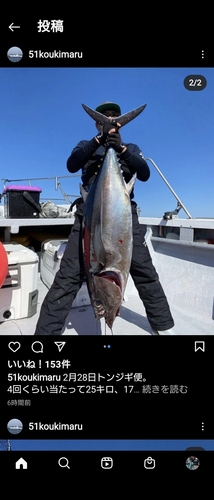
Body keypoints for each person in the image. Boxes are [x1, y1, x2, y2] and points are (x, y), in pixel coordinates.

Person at [34, 101, 175, 335]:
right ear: (96, 122)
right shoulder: (85, 145)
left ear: (120, 123)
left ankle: (164, 326)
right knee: (67, 276)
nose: (109, 120)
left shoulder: (130, 147)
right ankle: (44, 336)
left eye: (114, 117)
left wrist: (120, 149)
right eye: (104, 118)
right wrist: (99, 141)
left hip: (124, 219)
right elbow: (72, 164)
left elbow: (146, 173)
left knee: (145, 272)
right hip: (89, 217)